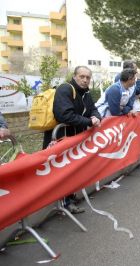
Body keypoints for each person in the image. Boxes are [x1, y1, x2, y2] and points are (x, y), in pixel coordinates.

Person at [43, 66, 101, 214]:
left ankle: (69, 197)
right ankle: (64, 203)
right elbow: (64, 116)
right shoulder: (65, 89)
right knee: (61, 172)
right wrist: (89, 122)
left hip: (74, 139)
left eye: (88, 77)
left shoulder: (86, 93)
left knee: (72, 170)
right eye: (82, 76)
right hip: (60, 138)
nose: (85, 80)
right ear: (74, 76)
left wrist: (96, 117)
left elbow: (93, 108)